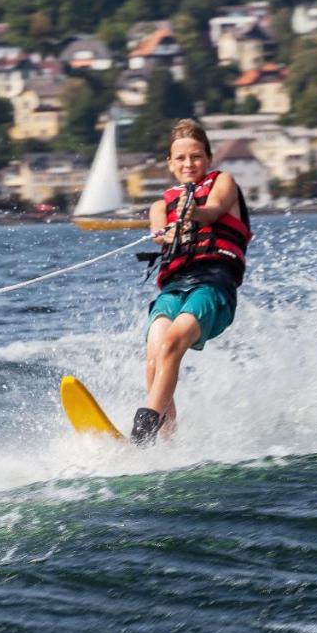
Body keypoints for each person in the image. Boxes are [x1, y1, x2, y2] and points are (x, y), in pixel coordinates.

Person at [133, 119, 252, 445]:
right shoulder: (160, 205)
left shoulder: (223, 183)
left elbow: (212, 211)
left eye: (196, 157)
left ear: (209, 158)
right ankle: (168, 442)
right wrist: (172, 229)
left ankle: (140, 437)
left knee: (172, 344)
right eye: (181, 158)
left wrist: (192, 214)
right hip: (175, 287)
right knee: (154, 358)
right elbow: (162, 235)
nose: (189, 164)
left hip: (212, 286)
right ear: (170, 163)